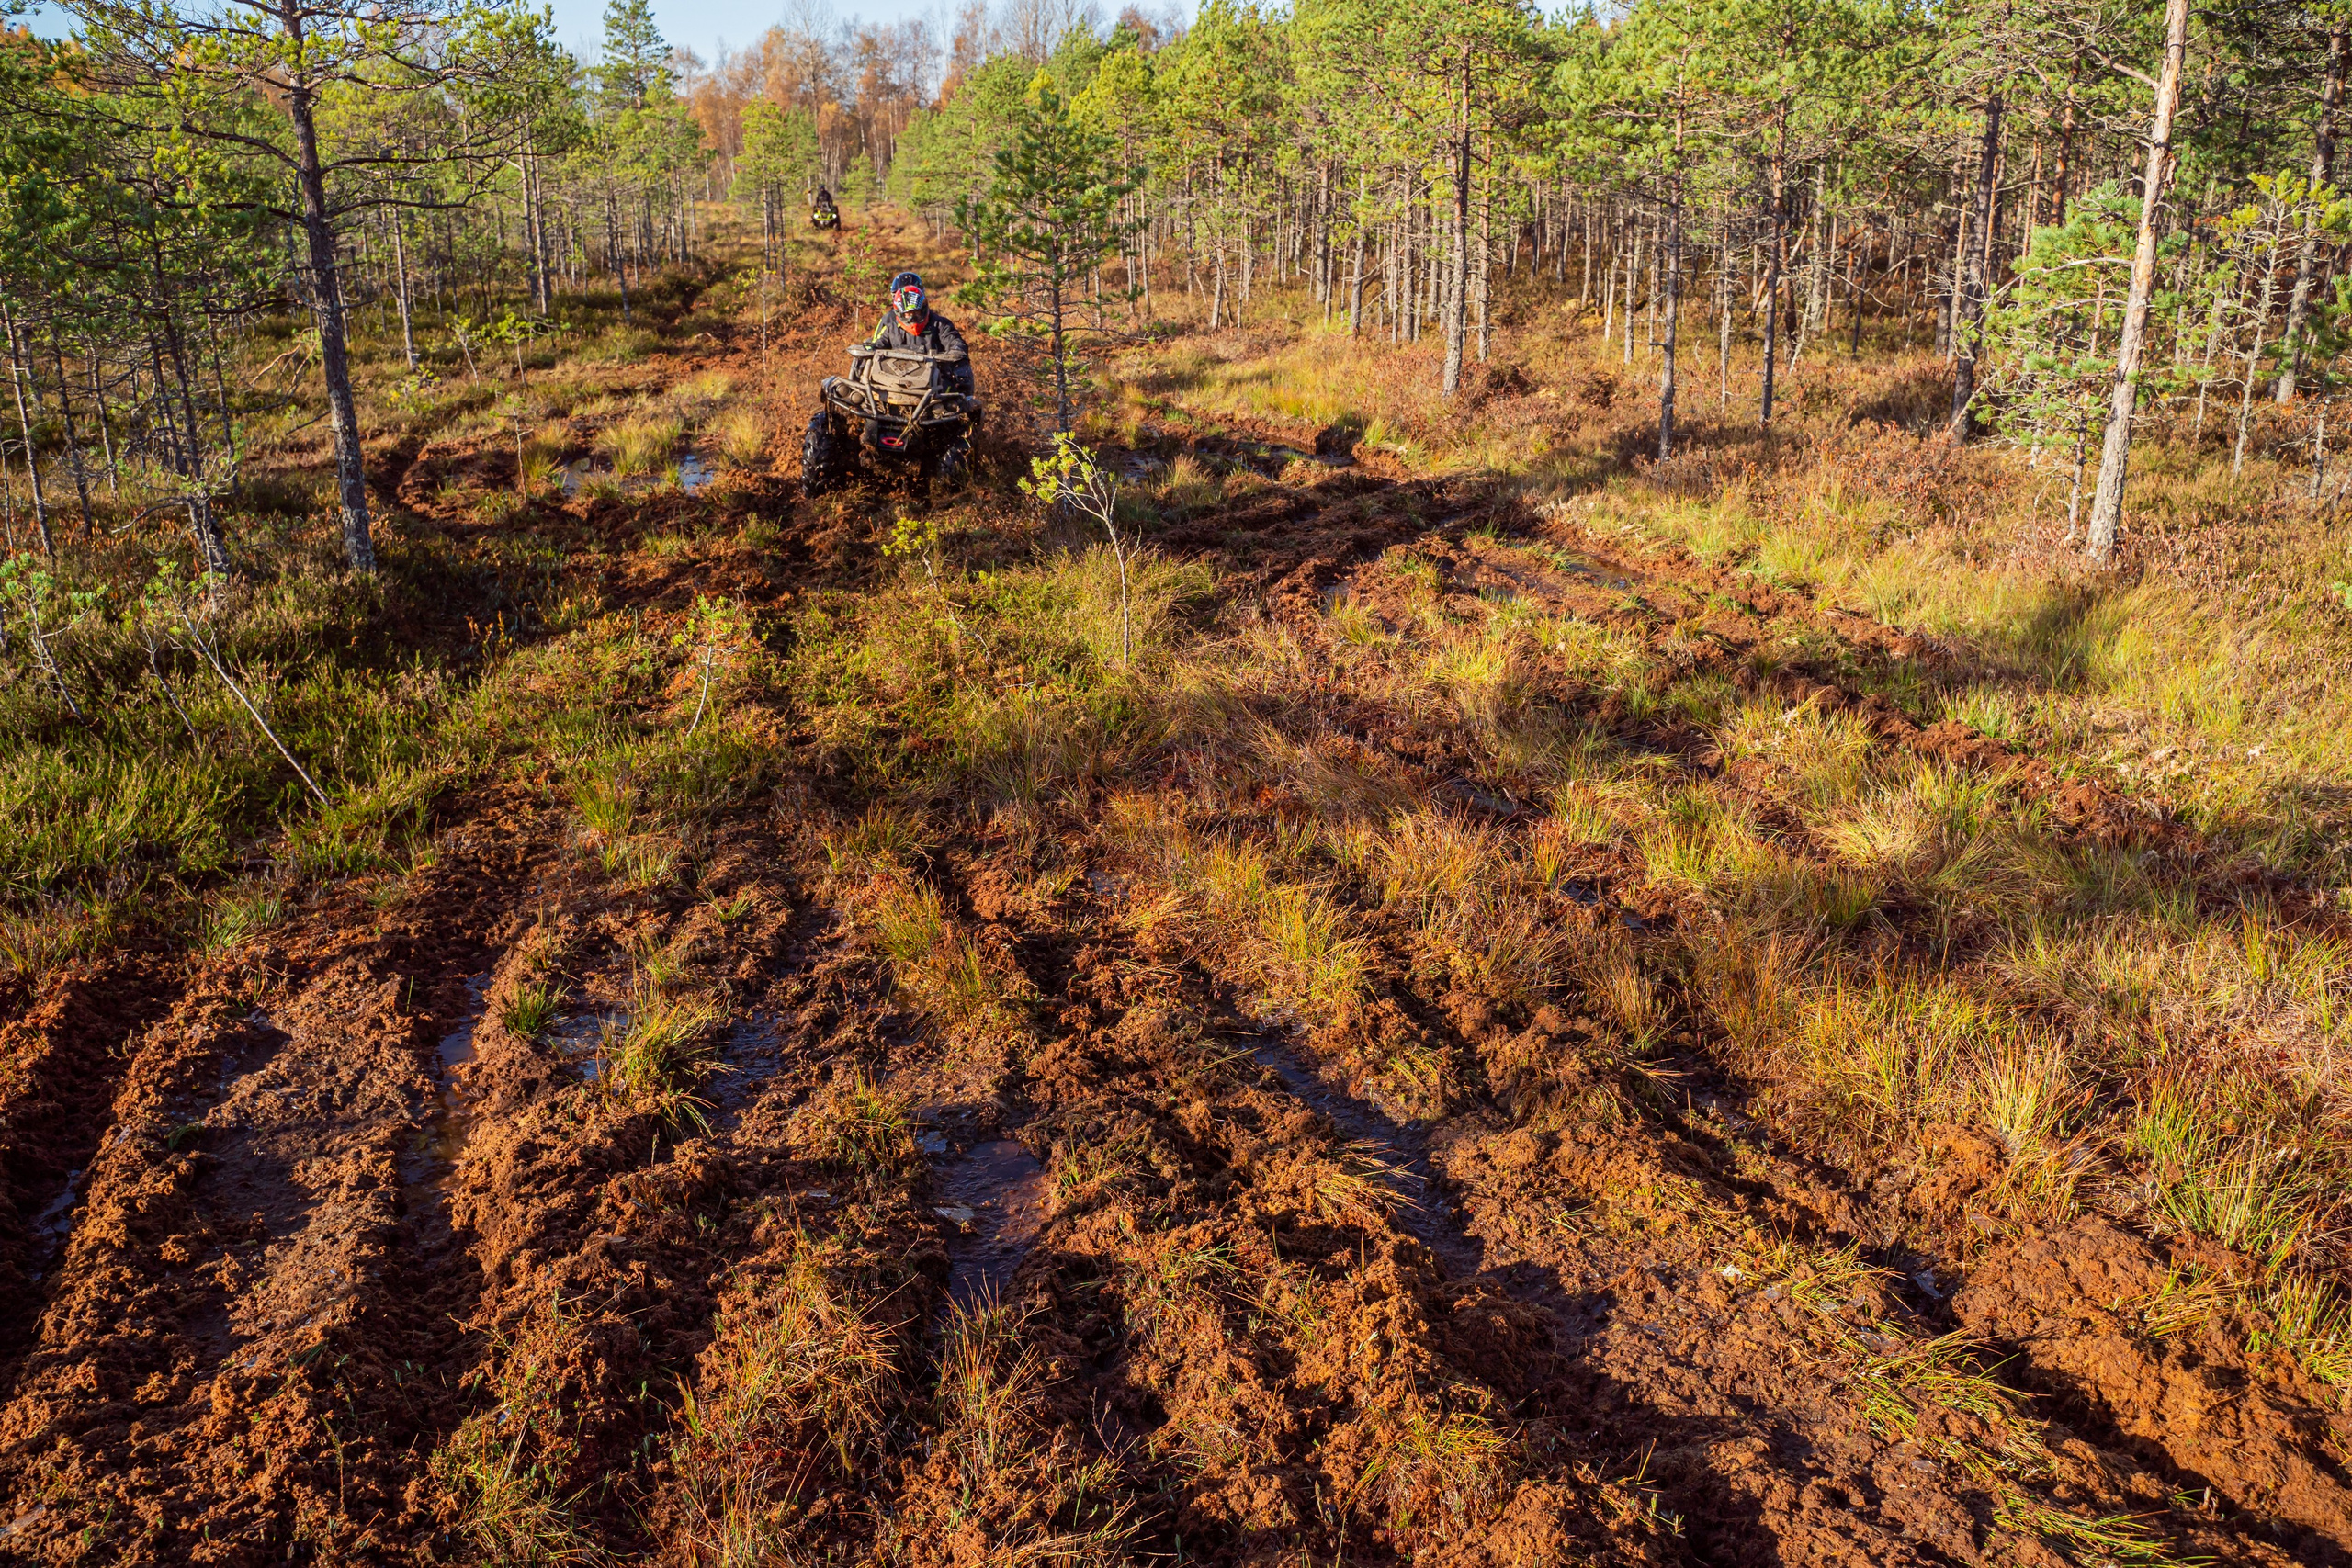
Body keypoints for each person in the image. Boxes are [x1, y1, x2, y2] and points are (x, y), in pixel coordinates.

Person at [868, 271, 974, 398]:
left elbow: (955, 341)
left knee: (961, 367)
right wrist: (868, 348)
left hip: (934, 384)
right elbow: (876, 344)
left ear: (923, 308)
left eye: (916, 312)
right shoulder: (890, 325)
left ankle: (964, 401)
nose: (912, 318)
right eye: (907, 314)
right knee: (864, 367)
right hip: (892, 381)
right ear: (898, 311)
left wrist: (954, 351)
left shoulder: (940, 324)